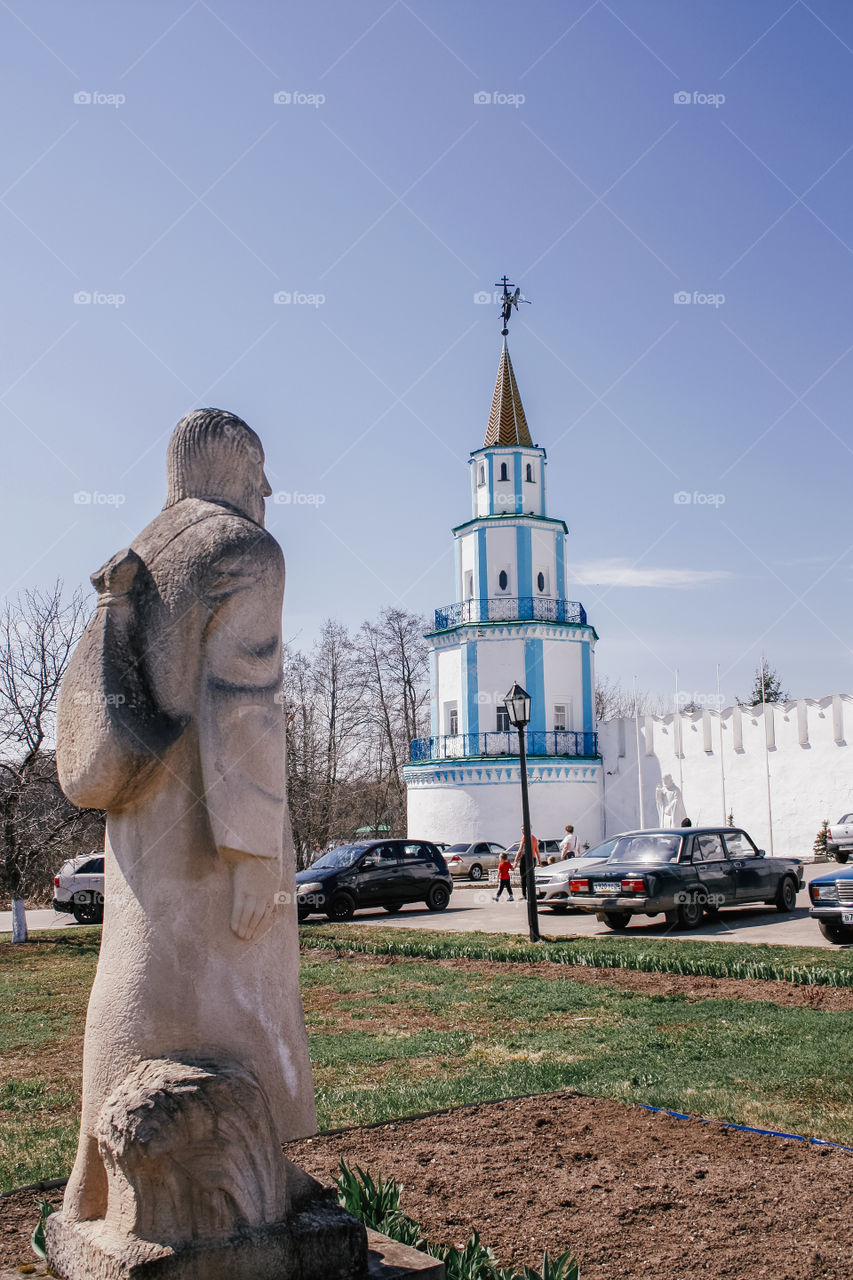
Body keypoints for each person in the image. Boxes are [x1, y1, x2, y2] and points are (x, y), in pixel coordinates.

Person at [56, 409, 317, 1225]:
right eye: (259, 469)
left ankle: (95, 1182)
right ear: (227, 468)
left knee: (139, 980)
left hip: (142, 823)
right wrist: (250, 856)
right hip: (212, 831)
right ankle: (259, 1180)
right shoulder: (244, 551)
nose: (268, 489)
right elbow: (245, 703)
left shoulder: (143, 551)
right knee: (240, 1004)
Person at [513, 826, 540, 900]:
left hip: (525, 858)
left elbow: (520, 849)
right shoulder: (534, 838)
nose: (522, 831)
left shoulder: (524, 837)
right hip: (533, 859)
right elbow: (537, 850)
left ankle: (524, 895)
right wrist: (539, 861)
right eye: (521, 830)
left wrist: (515, 861)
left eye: (523, 829)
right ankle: (531, 894)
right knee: (530, 877)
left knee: (524, 877)